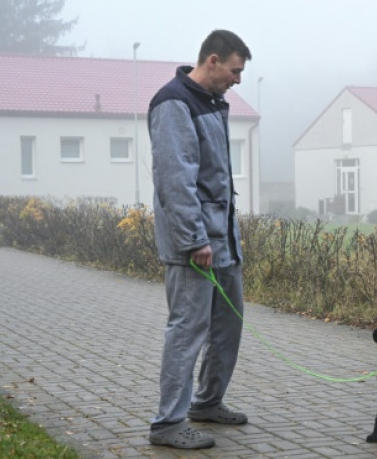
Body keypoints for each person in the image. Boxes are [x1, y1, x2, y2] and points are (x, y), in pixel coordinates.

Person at [147, 29, 252, 449]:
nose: (237, 80)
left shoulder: (211, 102)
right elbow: (176, 179)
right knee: (187, 331)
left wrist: (224, 239)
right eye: (234, 71)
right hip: (195, 246)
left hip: (223, 242)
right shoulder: (174, 102)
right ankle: (167, 423)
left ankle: (207, 402)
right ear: (212, 60)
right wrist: (194, 240)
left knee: (229, 326)